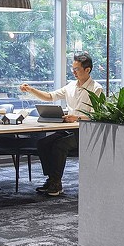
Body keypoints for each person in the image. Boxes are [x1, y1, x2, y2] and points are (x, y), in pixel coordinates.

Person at [19, 52, 103, 196]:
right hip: (69, 128)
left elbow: (98, 115)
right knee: (43, 143)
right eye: (73, 69)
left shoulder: (96, 89)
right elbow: (50, 96)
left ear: (87, 70)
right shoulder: (70, 86)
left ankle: (56, 183)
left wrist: (77, 118)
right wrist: (31, 89)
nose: (73, 72)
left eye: (76, 69)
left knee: (60, 145)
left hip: (86, 132)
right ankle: (52, 178)